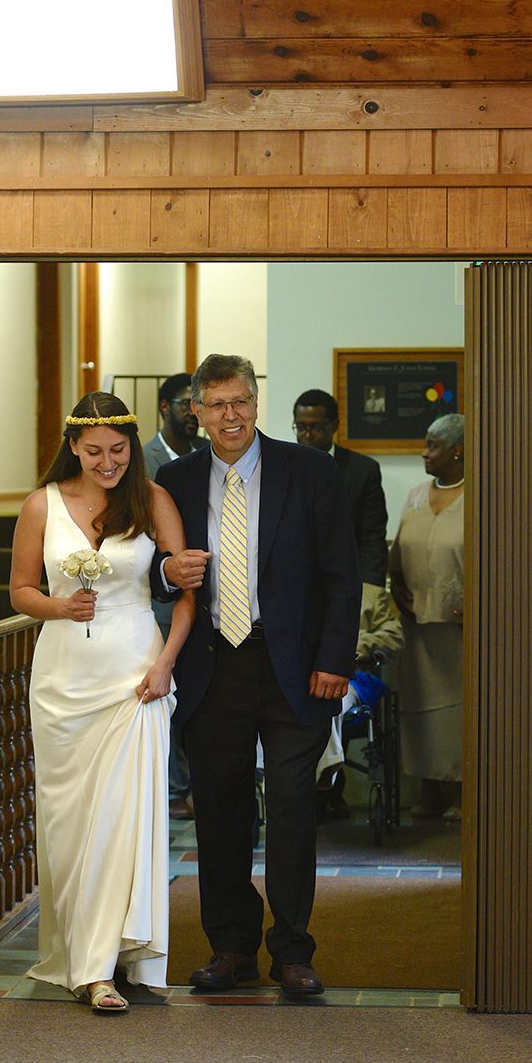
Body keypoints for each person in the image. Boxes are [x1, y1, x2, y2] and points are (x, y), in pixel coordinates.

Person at [155, 354, 361, 997]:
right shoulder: (176, 480)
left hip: (297, 668)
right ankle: (232, 947)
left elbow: (341, 575)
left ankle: (294, 951)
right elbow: (151, 562)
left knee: (296, 809)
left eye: (240, 401)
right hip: (214, 665)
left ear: (255, 402)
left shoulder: (310, 472)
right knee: (220, 812)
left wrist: (333, 660)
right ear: (197, 412)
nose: (230, 415)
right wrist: (166, 571)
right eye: (216, 405)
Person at [10, 392, 194, 1013]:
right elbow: (19, 590)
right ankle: (81, 952)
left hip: (134, 673)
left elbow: (186, 589)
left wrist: (166, 663)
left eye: (118, 450)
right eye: (94, 451)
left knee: (124, 817)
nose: (108, 462)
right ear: (72, 448)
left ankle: (109, 964)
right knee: (68, 826)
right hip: (63, 679)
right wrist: (59, 606)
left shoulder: (153, 500)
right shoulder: (43, 504)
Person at [389, 414, 465, 822]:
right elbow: (397, 552)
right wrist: (397, 585)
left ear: (457, 450)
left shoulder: (481, 495)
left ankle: (459, 791)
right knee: (418, 710)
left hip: (461, 631)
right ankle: (427, 790)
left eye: (432, 445)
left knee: (457, 713)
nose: (424, 452)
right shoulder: (417, 495)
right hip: (415, 624)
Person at [142, 373, 207, 821]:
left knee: (194, 699)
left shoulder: (208, 456)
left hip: (200, 598)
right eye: (187, 402)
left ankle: (191, 785)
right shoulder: (138, 461)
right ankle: (171, 789)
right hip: (152, 599)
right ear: (165, 407)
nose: (193, 412)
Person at [316, 581, 404, 820]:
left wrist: (356, 643)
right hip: (304, 675)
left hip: (355, 674)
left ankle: (324, 775)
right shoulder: (299, 586)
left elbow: (394, 636)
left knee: (331, 700)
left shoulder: (374, 595)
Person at [292, 389, 388, 586]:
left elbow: (372, 537)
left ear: (334, 425)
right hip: (295, 583)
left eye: (316, 427)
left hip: (346, 582)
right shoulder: (283, 468)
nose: (307, 435)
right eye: (301, 427)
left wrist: (369, 587)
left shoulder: (363, 471)